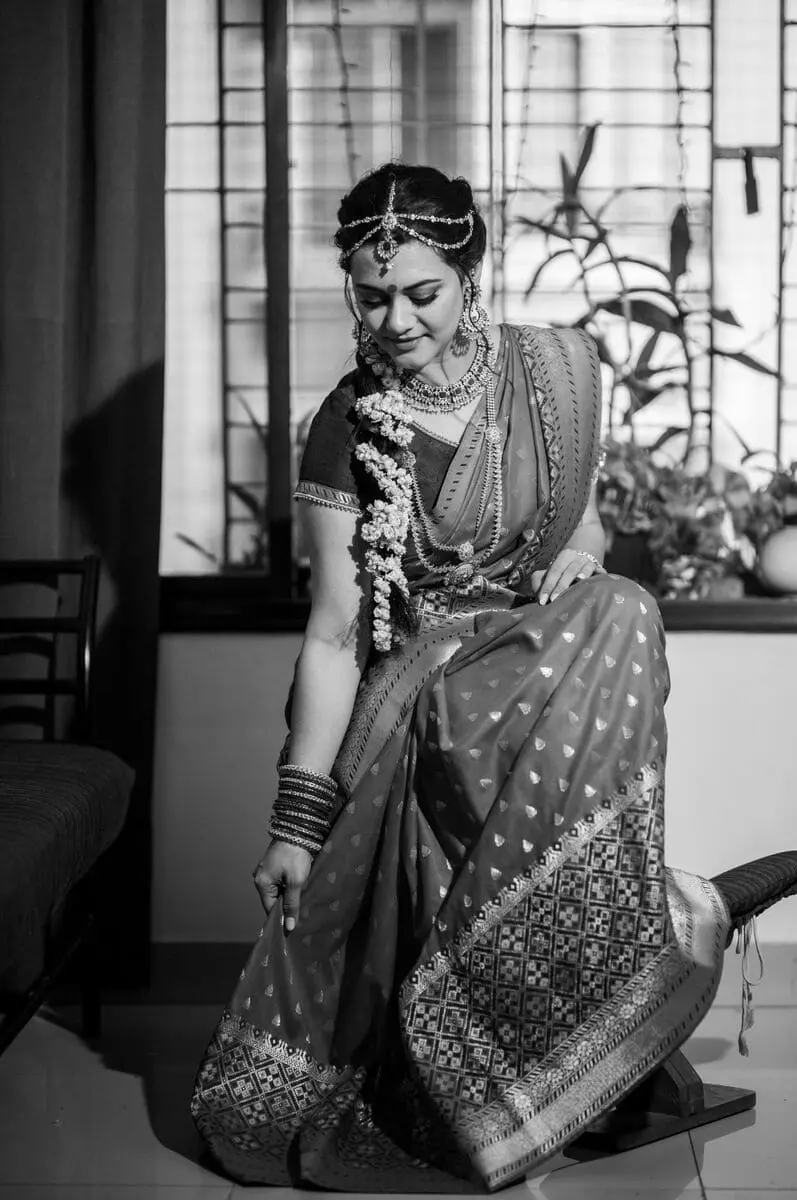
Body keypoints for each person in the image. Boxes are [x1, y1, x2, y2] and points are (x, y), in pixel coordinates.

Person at [190, 163, 729, 1191]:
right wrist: (296, 820)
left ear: (469, 276)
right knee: (552, 648)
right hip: (427, 684)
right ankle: (483, 1039)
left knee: (619, 605)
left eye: (421, 292)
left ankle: (561, 1002)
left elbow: (581, 528)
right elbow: (335, 633)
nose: (395, 320)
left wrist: (581, 559)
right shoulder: (349, 423)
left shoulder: (550, 374)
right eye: (371, 296)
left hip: (539, 656)